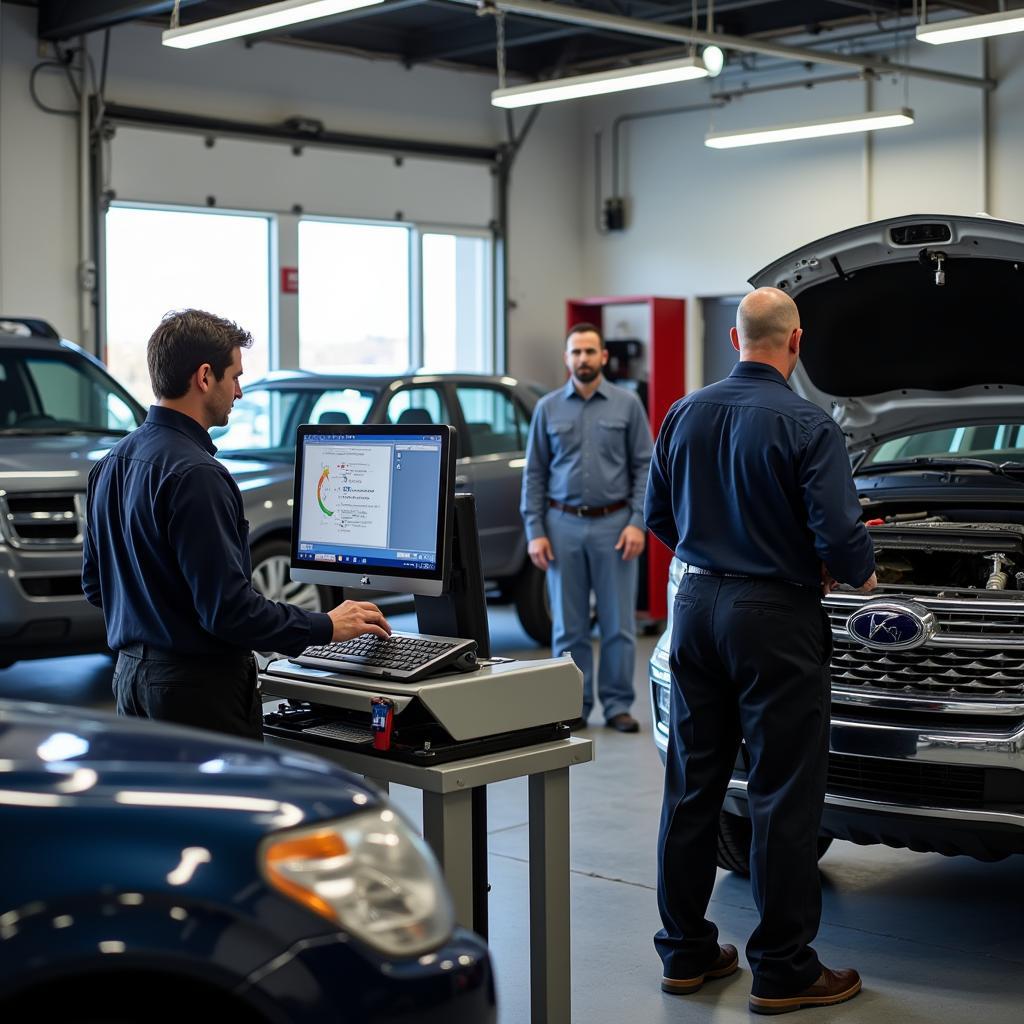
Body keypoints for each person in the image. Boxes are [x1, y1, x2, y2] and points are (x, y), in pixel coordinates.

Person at [644, 288, 877, 1015]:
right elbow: (840, 538)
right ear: (796, 343)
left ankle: (686, 954)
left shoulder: (684, 412)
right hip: (774, 616)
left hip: (696, 606)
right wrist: (852, 567)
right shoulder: (810, 425)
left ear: (735, 341)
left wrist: (717, 548)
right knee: (781, 791)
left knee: (692, 783)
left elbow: (657, 515)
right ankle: (782, 968)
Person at [82, 309, 391, 740]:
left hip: (131, 681)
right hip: (196, 693)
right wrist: (326, 626)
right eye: (235, 376)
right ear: (205, 377)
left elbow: (96, 586)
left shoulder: (110, 464)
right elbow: (227, 612)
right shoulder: (198, 475)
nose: (240, 392)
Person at [520, 323, 653, 733]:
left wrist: (636, 523)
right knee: (568, 626)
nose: (583, 359)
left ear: (603, 357)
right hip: (561, 526)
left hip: (614, 526)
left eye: (590, 352)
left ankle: (617, 706)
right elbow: (535, 473)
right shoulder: (547, 408)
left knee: (618, 625)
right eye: (576, 352)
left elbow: (645, 467)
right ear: (567, 358)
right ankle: (572, 704)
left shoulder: (627, 404)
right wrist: (535, 530)